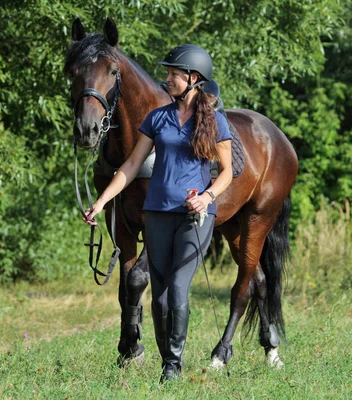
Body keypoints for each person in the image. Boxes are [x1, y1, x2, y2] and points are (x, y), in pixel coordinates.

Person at [83, 44, 233, 382]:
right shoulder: (158, 118)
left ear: (194, 79)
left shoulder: (214, 122)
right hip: (157, 213)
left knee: (178, 289)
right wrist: (103, 201)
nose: (166, 79)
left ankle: (173, 366)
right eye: (166, 74)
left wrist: (207, 197)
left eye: (173, 75)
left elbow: (226, 172)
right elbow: (132, 164)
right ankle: (168, 357)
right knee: (160, 294)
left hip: (194, 217)